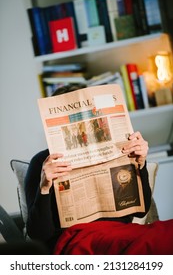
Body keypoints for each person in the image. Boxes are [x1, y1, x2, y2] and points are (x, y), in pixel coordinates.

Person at [24, 85, 151, 254]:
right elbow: (38, 235)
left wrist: (141, 164)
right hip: (77, 243)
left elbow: (142, 211)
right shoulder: (41, 162)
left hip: (122, 236)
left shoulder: (121, 148)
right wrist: (45, 187)